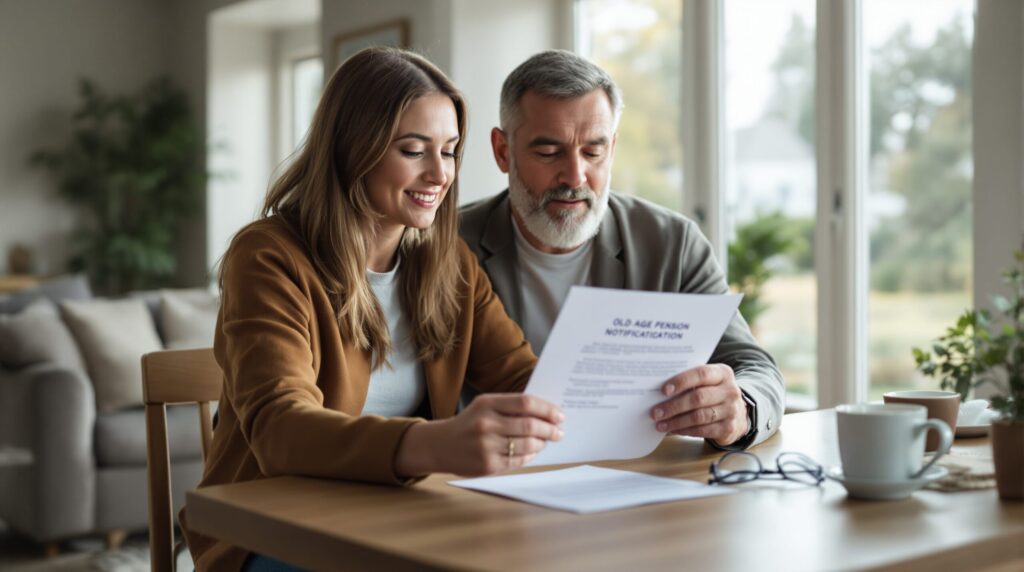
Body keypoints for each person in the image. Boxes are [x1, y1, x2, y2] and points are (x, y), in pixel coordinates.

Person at [180, 47, 564, 572]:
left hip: (401, 520)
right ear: (351, 149)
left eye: (450, 151)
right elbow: (280, 429)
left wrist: (648, 394)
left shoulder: (448, 262)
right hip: (273, 533)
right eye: (413, 150)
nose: (439, 174)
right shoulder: (269, 256)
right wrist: (434, 443)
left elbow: (524, 378)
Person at [460, 50, 785, 450]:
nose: (575, 176)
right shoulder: (446, 246)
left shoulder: (673, 244)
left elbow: (754, 366)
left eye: (593, 152)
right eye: (549, 152)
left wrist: (743, 409)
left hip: (636, 474)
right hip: (486, 484)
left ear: (612, 148)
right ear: (503, 151)